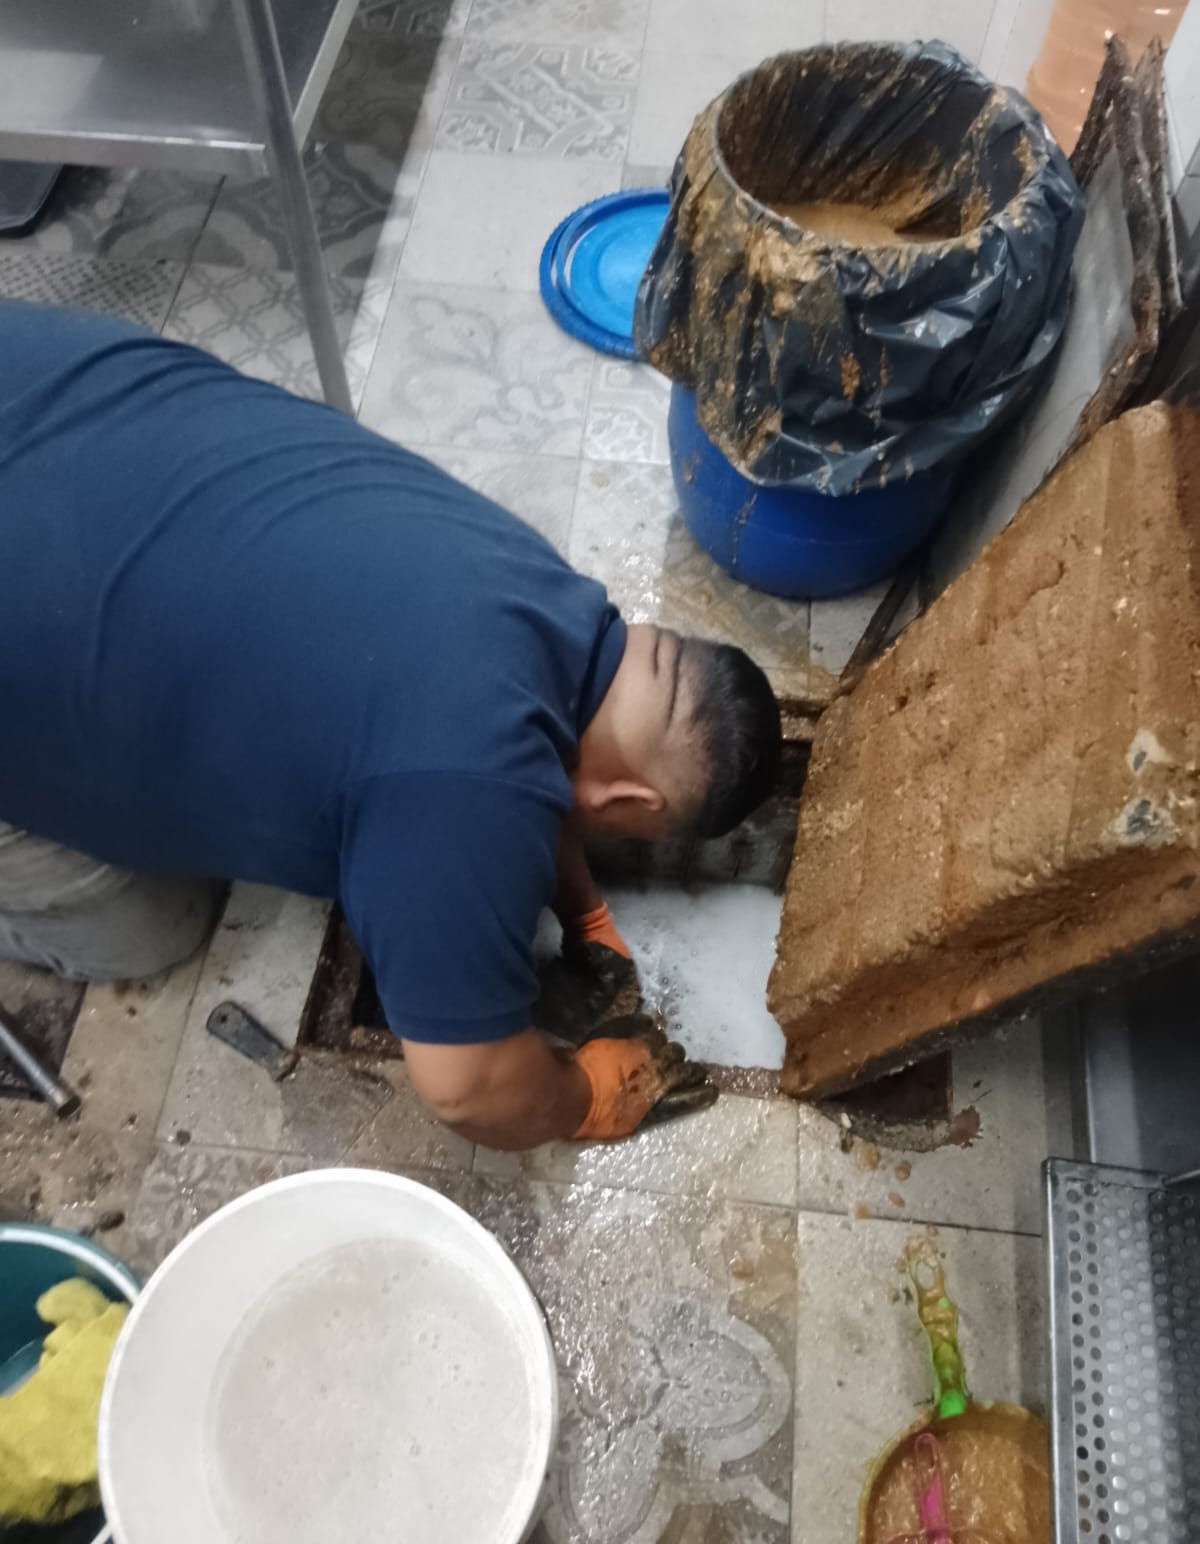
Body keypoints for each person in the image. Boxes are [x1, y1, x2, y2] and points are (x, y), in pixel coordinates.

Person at [0, 302, 781, 1149]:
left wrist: (578, 903)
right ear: (631, 801)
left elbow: (504, 731)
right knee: (152, 926)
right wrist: (582, 1098)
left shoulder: (525, 574)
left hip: (42, 385)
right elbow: (469, 1087)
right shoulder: (466, 791)